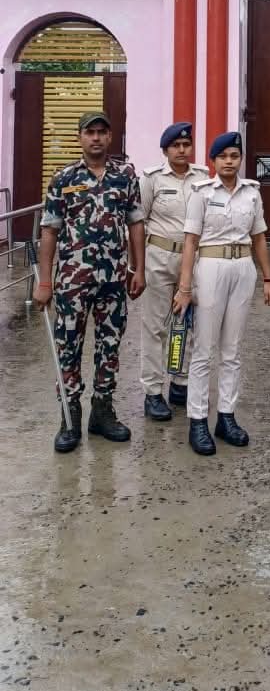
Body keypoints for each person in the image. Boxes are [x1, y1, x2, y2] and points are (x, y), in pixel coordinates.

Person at [32, 110, 145, 453]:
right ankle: (70, 416)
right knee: (69, 346)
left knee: (109, 345)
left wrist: (138, 269)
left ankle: (102, 411)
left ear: (110, 137)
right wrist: (45, 282)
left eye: (101, 132)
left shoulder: (125, 176)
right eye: (90, 132)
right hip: (73, 280)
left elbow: (135, 223)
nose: (96, 137)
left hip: (113, 279)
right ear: (80, 137)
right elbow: (49, 231)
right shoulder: (63, 178)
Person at [172, 131, 270, 456]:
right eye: (223, 157)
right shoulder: (202, 193)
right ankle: (198, 420)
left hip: (243, 268)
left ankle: (226, 417)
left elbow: (259, 237)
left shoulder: (252, 193)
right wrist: (185, 288)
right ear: (213, 161)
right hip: (210, 269)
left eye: (234, 156)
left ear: (240, 158)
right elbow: (190, 241)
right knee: (203, 350)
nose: (229, 161)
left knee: (232, 349)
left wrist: (268, 277)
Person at [139, 122, 209, 420]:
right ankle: (153, 391)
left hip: (192, 259)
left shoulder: (203, 178)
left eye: (186, 145)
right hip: (159, 257)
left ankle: (179, 383)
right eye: (175, 146)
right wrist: (135, 266)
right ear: (165, 150)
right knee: (155, 326)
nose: (182, 150)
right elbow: (138, 222)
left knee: (186, 323)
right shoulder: (151, 179)